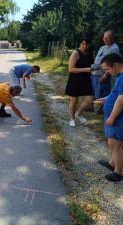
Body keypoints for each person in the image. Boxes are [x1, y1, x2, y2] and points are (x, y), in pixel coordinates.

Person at [95, 53, 123, 182]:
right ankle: (112, 163)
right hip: (114, 116)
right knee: (116, 143)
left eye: (107, 69)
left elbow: (121, 100)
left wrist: (111, 117)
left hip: (117, 118)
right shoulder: (119, 76)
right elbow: (116, 94)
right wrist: (106, 99)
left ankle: (118, 172)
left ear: (116, 65)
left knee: (114, 143)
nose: (107, 72)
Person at [65, 35, 97, 127]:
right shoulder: (76, 53)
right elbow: (71, 69)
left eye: (86, 45)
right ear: (80, 43)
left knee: (90, 100)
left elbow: (92, 64)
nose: (84, 47)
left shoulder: (91, 52)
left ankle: (78, 114)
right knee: (74, 101)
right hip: (75, 80)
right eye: (82, 44)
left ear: (89, 45)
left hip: (86, 80)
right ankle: (72, 119)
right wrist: (86, 69)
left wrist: (95, 68)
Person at [91, 30, 120, 115]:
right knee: (93, 90)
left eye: (108, 38)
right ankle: (91, 106)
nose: (105, 40)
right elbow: (96, 59)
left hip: (103, 74)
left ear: (113, 38)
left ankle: (100, 109)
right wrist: (92, 70)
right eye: (104, 38)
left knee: (102, 92)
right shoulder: (102, 47)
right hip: (95, 73)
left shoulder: (114, 48)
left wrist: (105, 75)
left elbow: (112, 64)